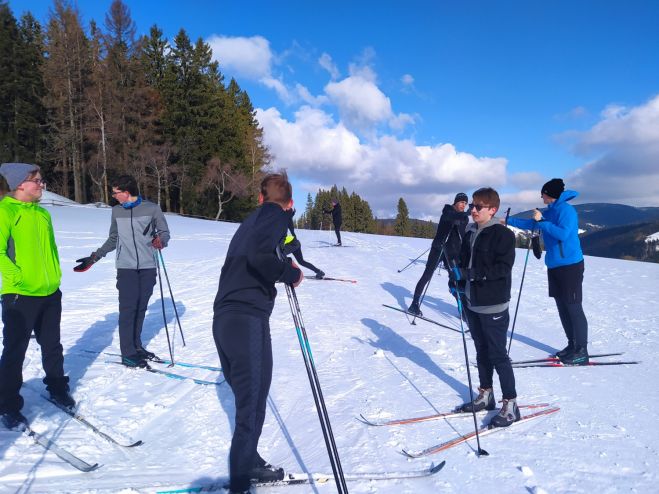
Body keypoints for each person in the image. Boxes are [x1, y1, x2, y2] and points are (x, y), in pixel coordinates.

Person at [212, 171, 303, 494]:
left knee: (249, 401)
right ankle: (240, 484)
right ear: (289, 203)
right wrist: (289, 273)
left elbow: (264, 250)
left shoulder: (251, 221)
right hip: (245, 317)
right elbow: (260, 258)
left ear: (260, 197)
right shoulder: (276, 217)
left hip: (226, 319)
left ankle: (248, 462)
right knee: (251, 409)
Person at [0, 163, 75, 430]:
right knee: (15, 351)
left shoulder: (43, 214)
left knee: (52, 345)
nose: (41, 185)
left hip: (50, 292)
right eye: (37, 181)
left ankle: (57, 387)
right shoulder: (5, 211)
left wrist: (54, 277)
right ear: (21, 184)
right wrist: (19, 278)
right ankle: (8, 404)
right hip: (20, 295)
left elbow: (51, 250)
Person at [73, 175, 170, 369]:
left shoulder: (152, 208)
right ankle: (128, 353)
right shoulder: (117, 211)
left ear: (127, 192)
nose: (113, 195)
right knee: (128, 309)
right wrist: (95, 257)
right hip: (125, 268)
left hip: (148, 266)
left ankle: (136, 346)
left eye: (116, 192)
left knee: (141, 307)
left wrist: (162, 241)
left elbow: (165, 232)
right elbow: (113, 238)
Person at [450, 187, 520, 428]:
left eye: (478, 207)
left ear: (492, 210)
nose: (473, 210)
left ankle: (511, 404)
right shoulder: (470, 232)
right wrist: (456, 279)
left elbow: (503, 269)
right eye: (472, 205)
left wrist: (472, 274)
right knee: (481, 351)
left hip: (493, 304)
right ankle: (486, 394)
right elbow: (462, 262)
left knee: (498, 354)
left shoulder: (503, 235)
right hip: (472, 302)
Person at [506, 178, 589, 365]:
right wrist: (508, 221)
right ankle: (572, 345)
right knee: (562, 307)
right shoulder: (550, 211)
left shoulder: (566, 211)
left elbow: (564, 234)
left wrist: (542, 221)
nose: (540, 196)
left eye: (542, 193)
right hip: (555, 265)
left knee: (574, 307)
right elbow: (532, 225)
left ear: (549, 193)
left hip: (571, 265)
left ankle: (582, 351)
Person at [408, 192, 470, 316]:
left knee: (456, 278)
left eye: (465, 203)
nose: (463, 205)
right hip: (438, 249)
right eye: (461, 202)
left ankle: (462, 308)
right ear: (455, 202)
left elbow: (462, 235)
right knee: (427, 275)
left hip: (452, 252)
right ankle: (414, 304)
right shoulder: (448, 211)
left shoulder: (464, 218)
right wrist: (466, 214)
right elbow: (452, 216)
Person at [283, 212, 325, 279]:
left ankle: (284, 274)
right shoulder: (286, 220)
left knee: (280, 256)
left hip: (292, 243)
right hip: (295, 242)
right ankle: (319, 272)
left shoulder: (282, 222)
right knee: (301, 261)